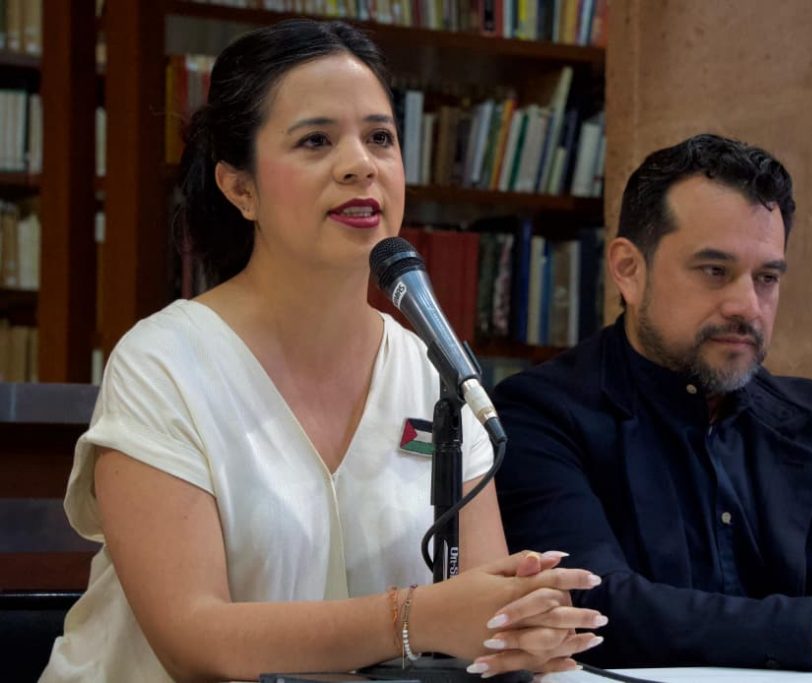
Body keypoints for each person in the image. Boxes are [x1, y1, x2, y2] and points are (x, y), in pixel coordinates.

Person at [41, 19, 607, 682]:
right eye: (316, 140)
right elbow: (195, 641)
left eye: (380, 138)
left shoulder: (437, 370)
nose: (360, 164)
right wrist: (415, 616)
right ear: (240, 187)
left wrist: (519, 626)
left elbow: (478, 617)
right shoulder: (162, 363)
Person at [494, 133, 812, 675]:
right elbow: (585, 609)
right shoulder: (537, 413)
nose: (747, 305)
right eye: (714, 271)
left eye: (767, 278)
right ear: (628, 269)